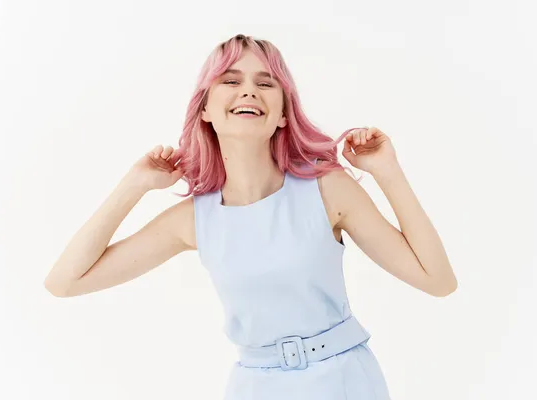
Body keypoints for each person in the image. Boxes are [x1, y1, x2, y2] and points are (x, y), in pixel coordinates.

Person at [44, 34, 457, 399]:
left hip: (344, 381)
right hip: (255, 387)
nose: (249, 91)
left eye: (265, 83)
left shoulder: (327, 190)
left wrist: (388, 172)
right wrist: (132, 185)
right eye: (230, 81)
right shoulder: (193, 220)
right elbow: (64, 282)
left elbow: (437, 280)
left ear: (282, 114)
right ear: (204, 109)